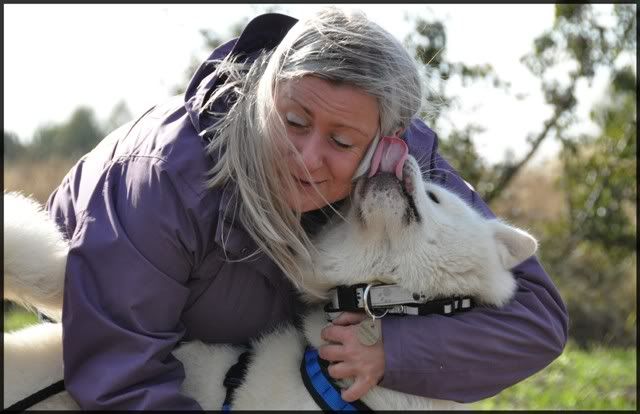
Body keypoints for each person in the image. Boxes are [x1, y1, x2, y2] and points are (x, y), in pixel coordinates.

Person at [45, 7, 568, 410]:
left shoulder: (403, 170)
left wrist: (392, 351)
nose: (307, 157)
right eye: (293, 122)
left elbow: (534, 318)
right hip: (113, 341)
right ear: (263, 96)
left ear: (387, 144)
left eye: (341, 142)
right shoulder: (159, 176)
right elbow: (121, 375)